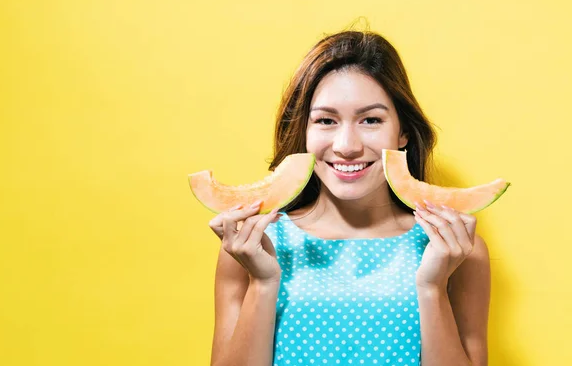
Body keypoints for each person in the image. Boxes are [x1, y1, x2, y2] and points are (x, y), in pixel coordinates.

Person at [208, 30, 490, 366]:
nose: (347, 145)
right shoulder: (252, 245)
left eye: (371, 120)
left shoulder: (457, 250)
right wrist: (263, 281)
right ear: (304, 132)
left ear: (402, 133)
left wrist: (433, 288)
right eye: (326, 120)